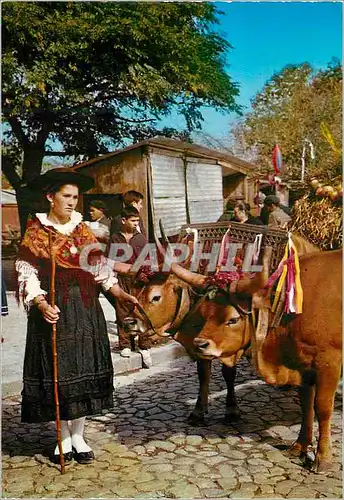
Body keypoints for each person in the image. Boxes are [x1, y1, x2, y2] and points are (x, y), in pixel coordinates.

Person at [16, 167, 138, 465]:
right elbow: (27, 272)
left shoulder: (84, 230)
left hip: (84, 308)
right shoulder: (36, 230)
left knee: (82, 366)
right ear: (50, 197)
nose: (72, 202)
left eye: (75, 197)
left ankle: (78, 436)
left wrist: (119, 293)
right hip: (53, 310)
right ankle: (62, 437)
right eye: (66, 196)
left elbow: (100, 270)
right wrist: (41, 303)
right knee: (60, 371)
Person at [108, 206, 152, 367]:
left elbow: (147, 259)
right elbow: (110, 259)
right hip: (121, 279)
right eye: (133, 221)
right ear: (124, 220)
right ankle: (125, 344)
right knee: (122, 311)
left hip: (139, 279)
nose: (135, 224)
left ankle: (144, 345)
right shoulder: (115, 238)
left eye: (137, 221)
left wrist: (142, 273)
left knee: (140, 311)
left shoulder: (141, 238)